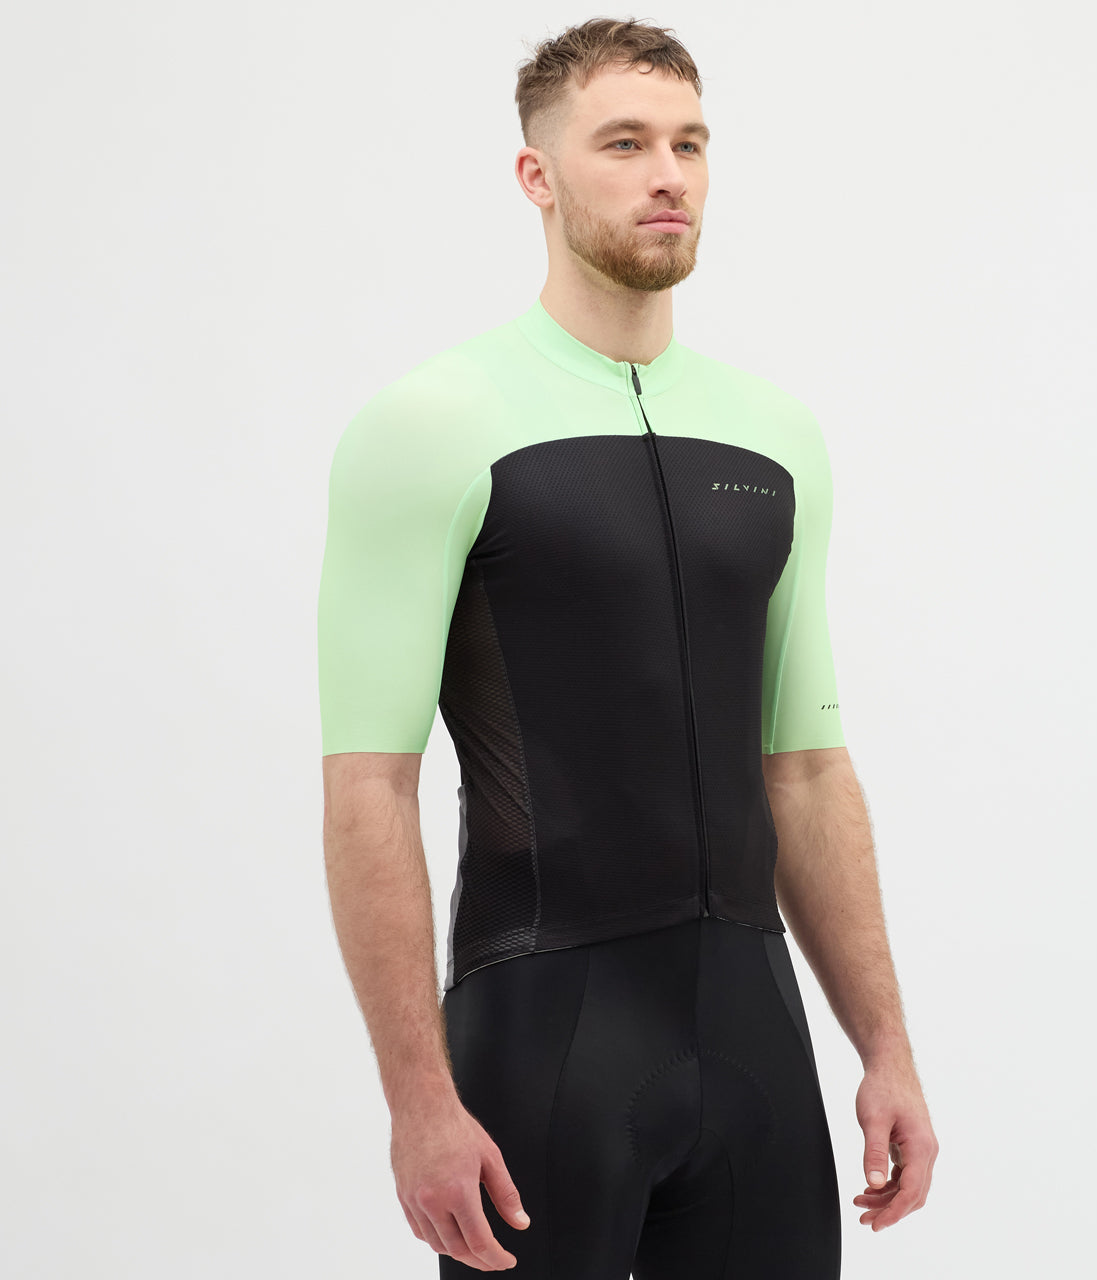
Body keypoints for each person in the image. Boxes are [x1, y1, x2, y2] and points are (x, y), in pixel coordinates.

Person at [317, 16, 938, 1278]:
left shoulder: (774, 437)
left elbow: (805, 767)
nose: (667, 175)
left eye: (688, 144)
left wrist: (885, 1047)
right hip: (543, 1039)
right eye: (623, 143)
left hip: (755, 1045)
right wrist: (418, 1099)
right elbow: (367, 786)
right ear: (535, 175)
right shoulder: (433, 425)